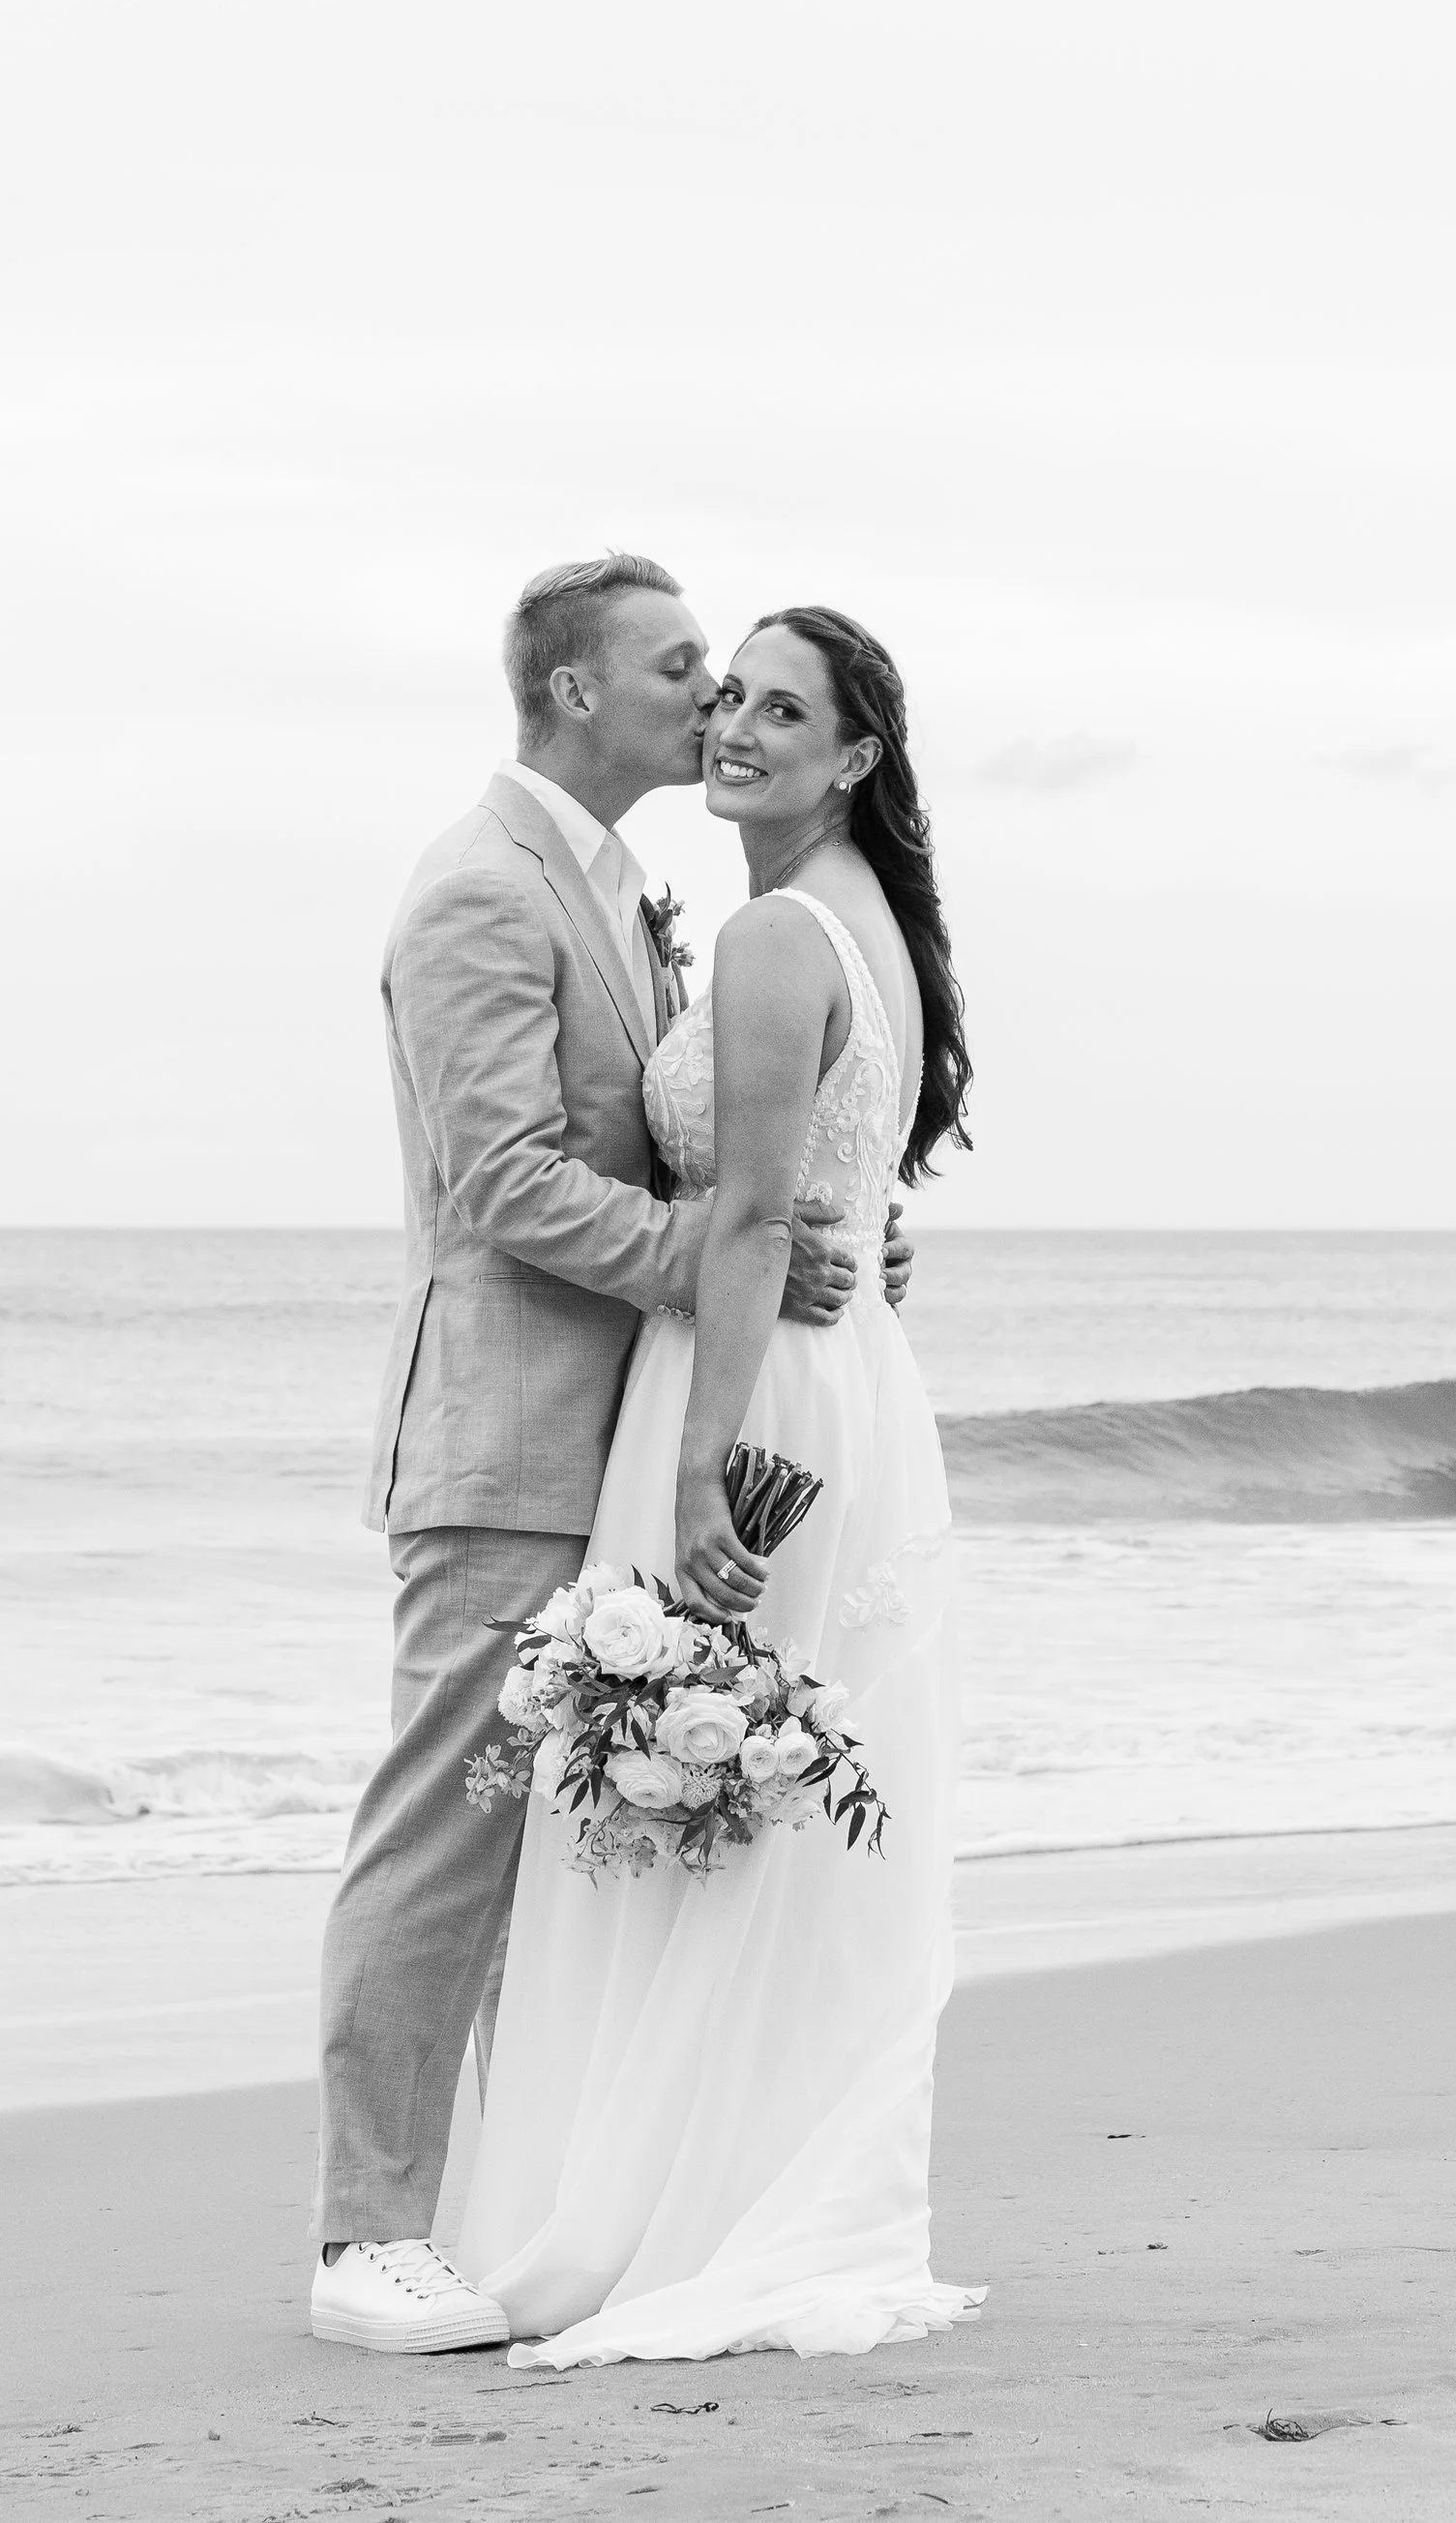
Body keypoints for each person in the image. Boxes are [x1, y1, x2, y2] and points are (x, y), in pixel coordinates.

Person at [312, 556, 911, 2355]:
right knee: (447, 1831)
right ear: (578, 692)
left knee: (566, 1859)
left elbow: (718, 1146)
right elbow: (498, 1183)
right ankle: (362, 2237)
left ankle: (505, 2206)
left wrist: (831, 1229)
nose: (711, 700)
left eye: (739, 684)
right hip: (504, 1439)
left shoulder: (637, 897)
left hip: (626, 1429)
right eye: (680, 670)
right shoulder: (480, 891)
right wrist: (728, 1257)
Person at [456, 601, 980, 2363]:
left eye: (783, 707)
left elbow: (756, 1214)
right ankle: (752, 2185)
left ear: (854, 756)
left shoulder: (773, 933)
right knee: (750, 1801)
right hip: (841, 1385)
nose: (738, 725)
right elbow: (835, 1185)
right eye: (728, 693)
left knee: (714, 1798)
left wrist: (700, 1471)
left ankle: (670, 2213)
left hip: (747, 1388)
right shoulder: (865, 924)